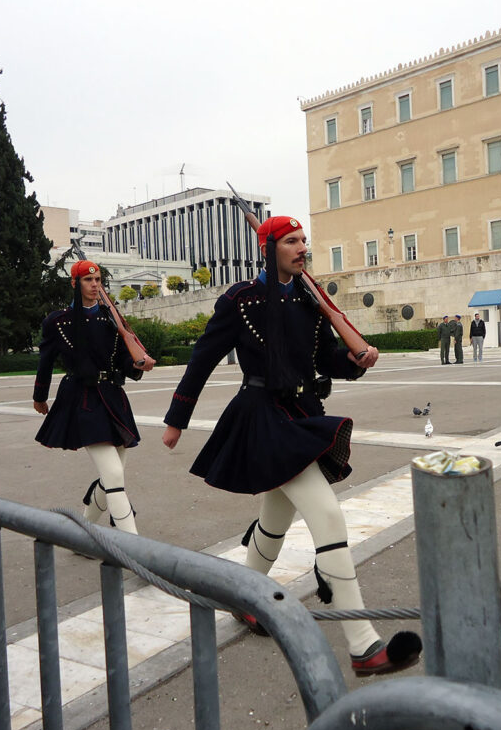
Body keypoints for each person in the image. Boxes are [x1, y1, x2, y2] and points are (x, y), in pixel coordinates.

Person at [161, 215, 422, 677]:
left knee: (275, 518)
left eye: (304, 240)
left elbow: (323, 358)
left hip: (302, 413)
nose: (303, 248)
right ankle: (363, 646)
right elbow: (201, 360)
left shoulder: (307, 299)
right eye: (292, 241)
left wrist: (357, 359)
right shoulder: (240, 301)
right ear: (270, 248)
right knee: (326, 513)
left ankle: (247, 598)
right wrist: (176, 419)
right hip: (263, 416)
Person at [33, 260, 145, 534]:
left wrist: (137, 363)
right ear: (75, 284)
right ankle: (135, 550)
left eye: (97, 281)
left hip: (113, 398)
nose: (95, 285)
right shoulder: (58, 322)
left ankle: (83, 532)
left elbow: (122, 360)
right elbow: (45, 361)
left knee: (112, 476)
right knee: (115, 474)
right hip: (82, 399)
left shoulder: (111, 318)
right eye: (87, 280)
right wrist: (40, 395)